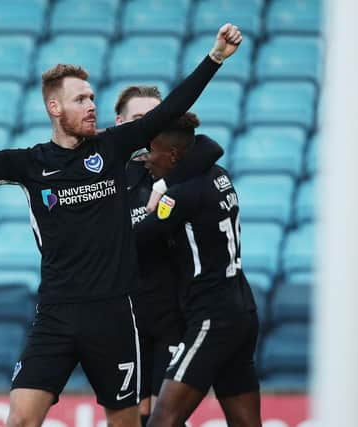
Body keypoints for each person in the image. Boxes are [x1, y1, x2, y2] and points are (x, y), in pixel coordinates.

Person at [0, 23, 242, 427]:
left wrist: (214, 57)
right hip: (55, 314)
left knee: (125, 423)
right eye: (80, 99)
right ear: (55, 109)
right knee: (20, 420)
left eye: (92, 97)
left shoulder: (112, 147)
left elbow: (169, 110)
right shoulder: (29, 163)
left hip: (113, 313)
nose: (91, 105)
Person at [133, 114, 261, 427]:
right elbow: (207, 151)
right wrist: (165, 183)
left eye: (151, 151)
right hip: (241, 307)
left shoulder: (181, 196)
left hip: (211, 317)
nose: (146, 160)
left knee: (163, 420)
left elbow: (136, 238)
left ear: (174, 155)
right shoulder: (220, 175)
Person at [114, 86, 223, 426]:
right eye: (138, 120)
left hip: (171, 317)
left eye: (155, 119)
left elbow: (210, 147)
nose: (147, 128)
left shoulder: (173, 164)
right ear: (120, 123)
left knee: (165, 418)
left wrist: (164, 185)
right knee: (131, 418)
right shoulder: (107, 170)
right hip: (123, 321)